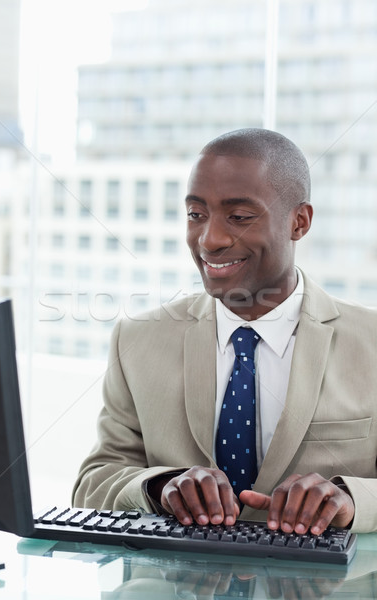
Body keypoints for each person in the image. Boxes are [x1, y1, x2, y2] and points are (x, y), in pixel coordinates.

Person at [72, 128, 377, 534]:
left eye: (239, 217)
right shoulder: (137, 339)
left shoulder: (370, 340)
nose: (210, 239)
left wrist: (351, 500)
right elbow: (93, 483)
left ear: (299, 222)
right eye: (197, 215)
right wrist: (160, 486)